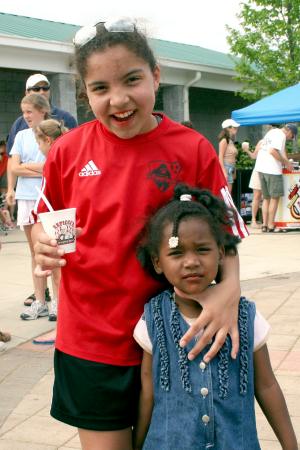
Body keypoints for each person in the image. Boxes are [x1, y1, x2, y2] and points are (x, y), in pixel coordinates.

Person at [33, 19, 248, 450]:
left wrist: (230, 290)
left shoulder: (192, 149)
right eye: (99, 88)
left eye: (132, 79)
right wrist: (39, 239)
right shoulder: (67, 152)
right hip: (91, 342)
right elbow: (45, 221)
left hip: (177, 338)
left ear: (156, 75)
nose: (119, 99)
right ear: (85, 93)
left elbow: (226, 236)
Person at [133, 184, 297, 449]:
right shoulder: (151, 321)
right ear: (157, 262)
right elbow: (147, 392)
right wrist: (136, 444)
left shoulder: (247, 317)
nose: (191, 262)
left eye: (202, 249)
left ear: (221, 252)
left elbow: (267, 386)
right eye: (176, 253)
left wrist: (291, 445)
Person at [8, 93, 52, 320]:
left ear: (42, 111)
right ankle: (40, 302)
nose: (25, 116)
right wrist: (38, 167)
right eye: (23, 112)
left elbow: (52, 167)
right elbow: (14, 168)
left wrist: (27, 166)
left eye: (29, 112)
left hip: (47, 198)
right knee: (35, 252)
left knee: (52, 251)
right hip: (26, 198)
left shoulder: (52, 133)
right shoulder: (21, 136)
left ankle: (58, 305)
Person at [31, 119, 68, 322]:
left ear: (47, 140)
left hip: (60, 228)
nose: (39, 148)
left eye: (39, 143)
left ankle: (63, 320)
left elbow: (42, 208)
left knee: (59, 275)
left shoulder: (53, 163)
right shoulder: (68, 157)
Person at [6, 73, 77, 154]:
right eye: (36, 89)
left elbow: (74, 151)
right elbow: (11, 157)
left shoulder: (66, 118)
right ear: (27, 93)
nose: (42, 92)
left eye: (45, 88)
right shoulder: (19, 123)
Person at [255, 124, 296, 232]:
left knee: (266, 198)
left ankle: (264, 225)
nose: (290, 139)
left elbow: (280, 151)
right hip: (272, 169)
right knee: (274, 198)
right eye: (292, 137)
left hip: (261, 168)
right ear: (289, 132)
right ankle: (271, 225)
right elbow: (272, 151)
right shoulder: (280, 135)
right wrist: (286, 162)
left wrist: (286, 161)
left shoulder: (272, 132)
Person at [241, 140, 263, 228]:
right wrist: (246, 150)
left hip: (269, 172)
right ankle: (253, 220)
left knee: (266, 197)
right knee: (257, 196)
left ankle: (266, 222)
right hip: (258, 171)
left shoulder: (278, 140)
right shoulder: (261, 142)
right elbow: (254, 156)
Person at [218, 118, 240, 194]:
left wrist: (234, 171)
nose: (236, 129)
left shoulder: (230, 140)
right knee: (227, 194)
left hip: (230, 168)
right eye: (234, 127)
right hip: (227, 168)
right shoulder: (224, 140)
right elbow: (220, 156)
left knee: (228, 193)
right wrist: (224, 172)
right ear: (228, 128)